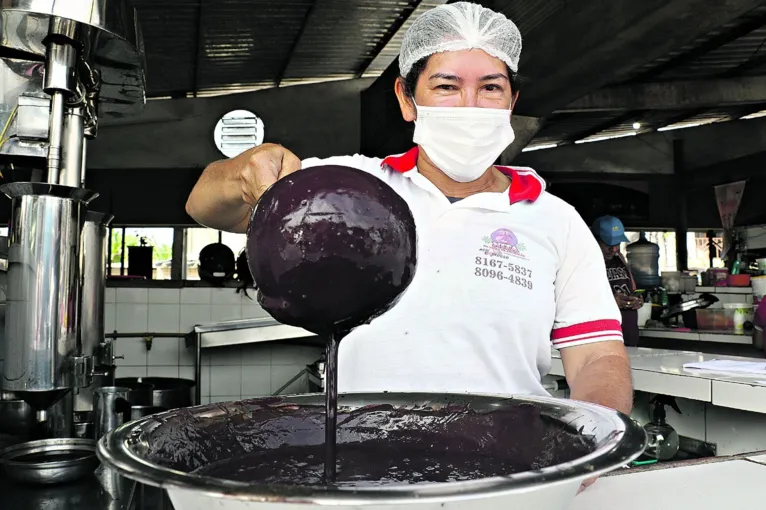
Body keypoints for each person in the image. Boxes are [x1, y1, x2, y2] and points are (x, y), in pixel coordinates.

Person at [187, 3, 632, 415]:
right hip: (364, 454)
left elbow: (597, 355)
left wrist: (593, 436)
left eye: (490, 88)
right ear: (406, 98)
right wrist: (245, 170)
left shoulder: (556, 220)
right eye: (446, 86)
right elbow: (207, 209)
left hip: (507, 462)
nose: (470, 106)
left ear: (511, 103)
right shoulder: (345, 188)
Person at [591, 216, 642, 347]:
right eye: (609, 244)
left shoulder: (619, 258)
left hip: (628, 337)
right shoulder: (584, 263)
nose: (614, 249)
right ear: (594, 240)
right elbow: (575, 300)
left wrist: (637, 299)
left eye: (617, 243)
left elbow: (631, 288)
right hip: (603, 340)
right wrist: (611, 302)